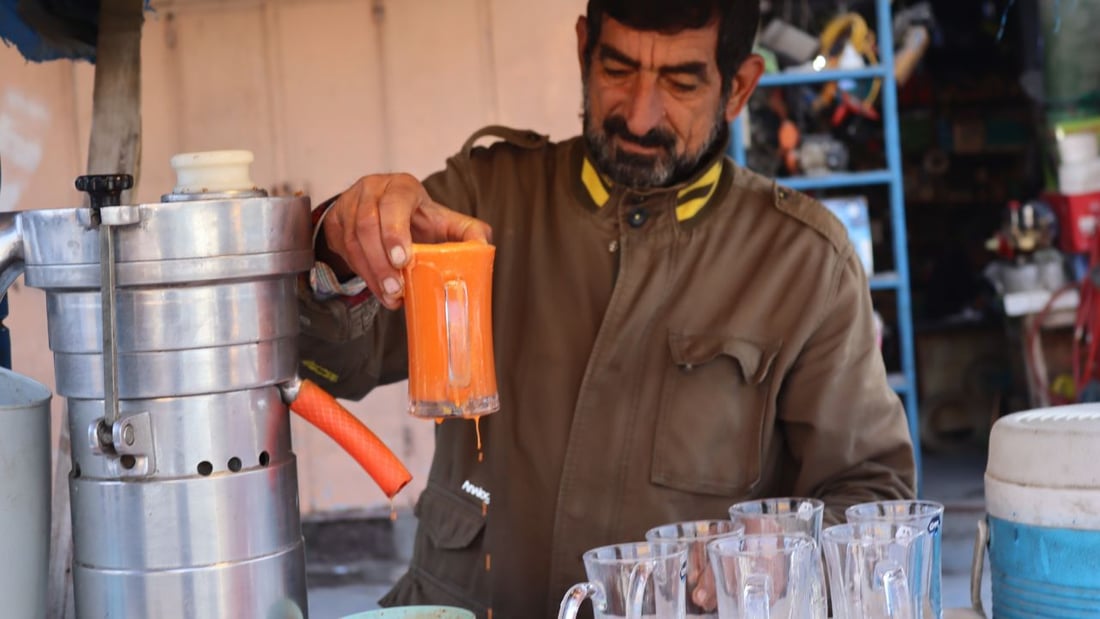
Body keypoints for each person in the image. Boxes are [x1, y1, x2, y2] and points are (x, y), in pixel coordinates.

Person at [297, 0, 916, 616]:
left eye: (680, 82)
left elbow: (871, 490)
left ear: (739, 88)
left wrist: (783, 549)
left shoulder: (803, 264)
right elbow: (336, 363)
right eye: (617, 70)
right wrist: (337, 255)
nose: (640, 116)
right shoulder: (481, 202)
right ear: (583, 50)